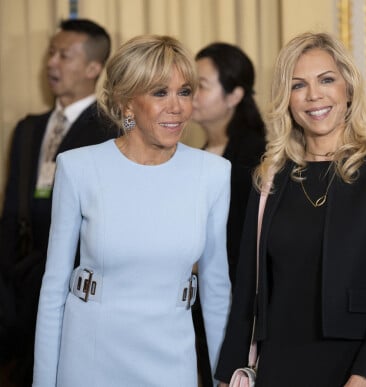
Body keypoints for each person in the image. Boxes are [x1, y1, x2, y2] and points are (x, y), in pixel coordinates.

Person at [215, 32, 366, 387]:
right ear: (287, 99)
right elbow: (247, 290)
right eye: (298, 85)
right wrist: (228, 374)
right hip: (278, 363)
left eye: (326, 79)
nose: (314, 95)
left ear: (348, 88)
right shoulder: (270, 177)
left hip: (354, 365)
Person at [32, 35, 232, 386]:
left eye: (184, 92)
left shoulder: (213, 173)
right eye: (159, 93)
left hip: (172, 360)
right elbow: (53, 290)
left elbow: (216, 292)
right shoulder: (78, 168)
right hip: (89, 359)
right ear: (126, 102)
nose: (177, 107)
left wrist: (222, 379)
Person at [0, 18, 115, 386]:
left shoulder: (109, 128)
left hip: (70, 275)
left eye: (64, 55)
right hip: (16, 271)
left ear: (93, 67)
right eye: (51, 53)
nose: (52, 63)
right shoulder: (28, 127)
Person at [190, 42, 266, 387]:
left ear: (234, 95)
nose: (191, 93)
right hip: (199, 296)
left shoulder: (256, 155)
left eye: (201, 85)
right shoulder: (199, 153)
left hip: (237, 300)